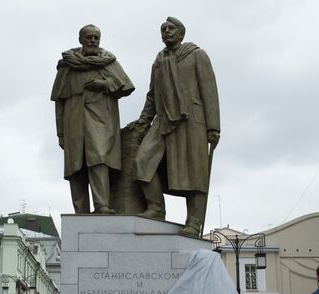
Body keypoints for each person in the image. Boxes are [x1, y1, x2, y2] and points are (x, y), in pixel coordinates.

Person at [130, 17, 220, 236]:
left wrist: (213, 127)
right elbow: (152, 95)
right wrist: (143, 121)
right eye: (163, 29)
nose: (167, 32)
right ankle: (156, 208)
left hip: (192, 121)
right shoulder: (159, 60)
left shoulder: (197, 55)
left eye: (171, 29)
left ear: (181, 33)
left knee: (194, 172)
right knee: (143, 161)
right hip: (163, 121)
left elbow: (209, 91)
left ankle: (194, 222)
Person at [52, 24, 135, 214]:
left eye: (96, 37)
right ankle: (80, 210)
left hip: (101, 121)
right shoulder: (67, 66)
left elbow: (127, 86)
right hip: (73, 123)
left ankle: (101, 205)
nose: (93, 41)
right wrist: (60, 133)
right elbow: (59, 102)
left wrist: (105, 84)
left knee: (98, 160)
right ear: (80, 40)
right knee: (75, 168)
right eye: (89, 37)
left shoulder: (107, 62)